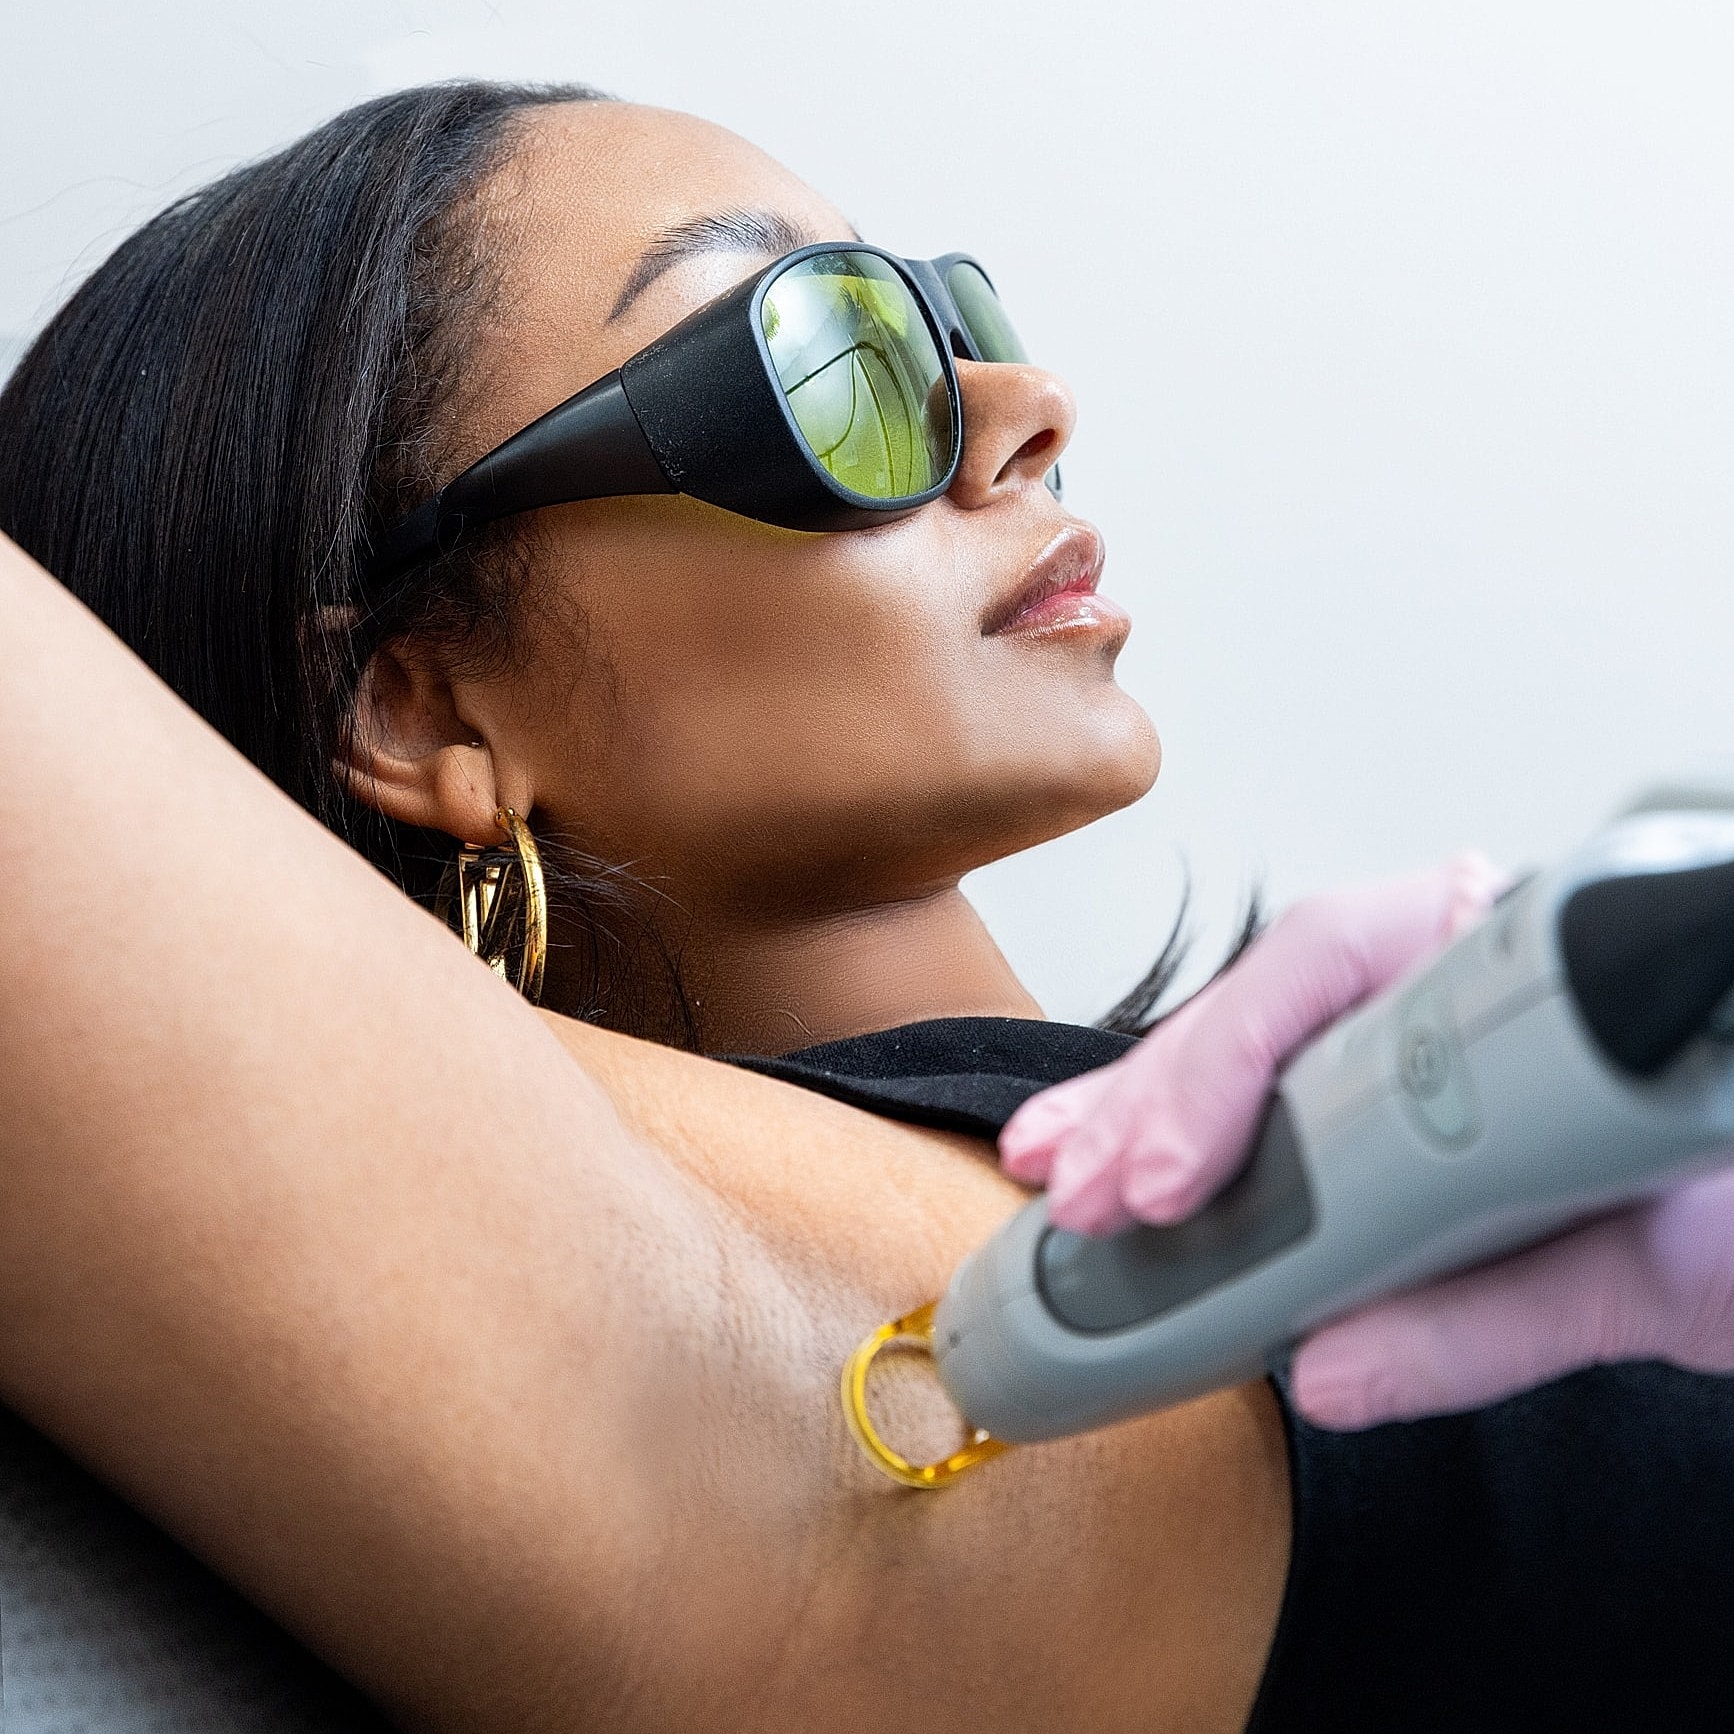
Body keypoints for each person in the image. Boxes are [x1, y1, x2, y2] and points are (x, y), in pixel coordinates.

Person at [1, 80, 1733, 1731]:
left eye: (952, 321)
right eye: (827, 360)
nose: (1025, 406)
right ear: (423, 705)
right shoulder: (777, 1361)